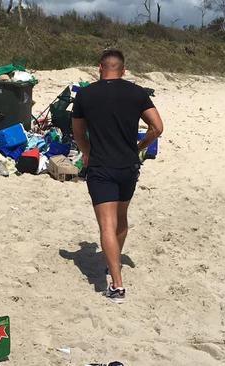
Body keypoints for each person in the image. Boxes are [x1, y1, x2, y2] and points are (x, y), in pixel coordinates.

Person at [72, 49, 164, 303]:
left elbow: (78, 131)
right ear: (123, 70)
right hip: (128, 166)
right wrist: (139, 146)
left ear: (100, 68)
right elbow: (158, 127)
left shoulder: (86, 94)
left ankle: (117, 285)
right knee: (121, 219)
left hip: (102, 167)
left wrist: (87, 152)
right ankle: (114, 264)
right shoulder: (137, 92)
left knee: (107, 225)